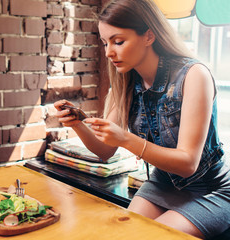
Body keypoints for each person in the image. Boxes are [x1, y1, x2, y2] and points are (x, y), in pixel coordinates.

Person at [54, 0, 230, 239]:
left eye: (118, 42)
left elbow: (188, 163)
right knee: (121, 233)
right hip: (163, 182)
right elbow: (105, 151)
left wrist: (126, 139)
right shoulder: (125, 80)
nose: (108, 52)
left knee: (151, 236)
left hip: (212, 189)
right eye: (105, 43)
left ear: (149, 35)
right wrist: (77, 125)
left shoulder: (193, 74)